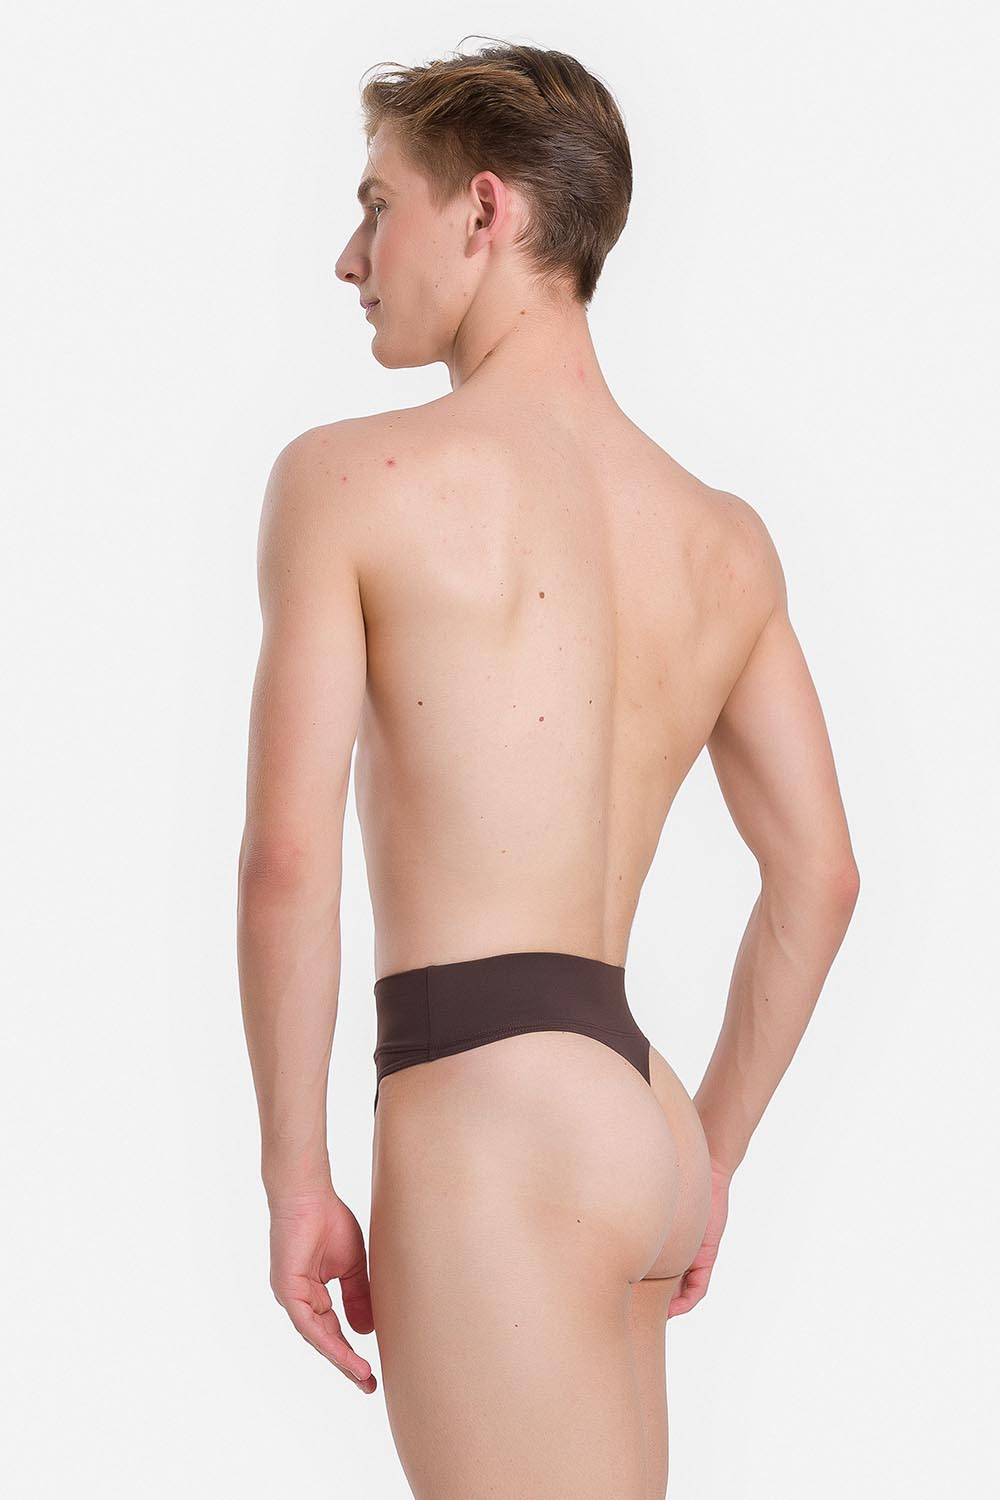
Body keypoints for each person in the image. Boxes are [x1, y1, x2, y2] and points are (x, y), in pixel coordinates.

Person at [236, 40, 860, 1500]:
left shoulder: (344, 482)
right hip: (639, 1110)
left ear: (484, 209)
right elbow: (821, 875)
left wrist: (295, 1177)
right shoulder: (721, 538)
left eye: (376, 206)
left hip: (488, 1119)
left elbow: (285, 863)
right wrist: (705, 1157)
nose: (350, 259)